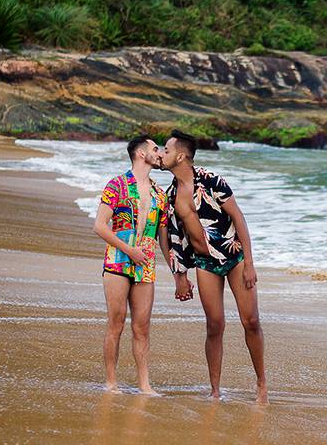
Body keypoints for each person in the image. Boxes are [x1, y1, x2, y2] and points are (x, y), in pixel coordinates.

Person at [160, 129, 268, 404]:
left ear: (181, 156)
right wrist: (179, 277)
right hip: (204, 262)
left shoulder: (211, 180)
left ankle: (261, 384)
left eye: (167, 150)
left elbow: (238, 218)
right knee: (214, 325)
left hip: (234, 256)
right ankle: (215, 390)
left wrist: (250, 264)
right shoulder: (170, 196)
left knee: (251, 321)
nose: (162, 154)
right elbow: (171, 240)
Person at [92, 135, 175, 395]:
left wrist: (178, 273)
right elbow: (99, 226)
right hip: (117, 260)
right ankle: (111, 382)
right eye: (155, 148)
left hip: (146, 265)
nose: (159, 152)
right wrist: (129, 250)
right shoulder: (116, 185)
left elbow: (164, 240)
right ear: (141, 154)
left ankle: (144, 385)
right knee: (115, 323)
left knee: (142, 326)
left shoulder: (159, 194)